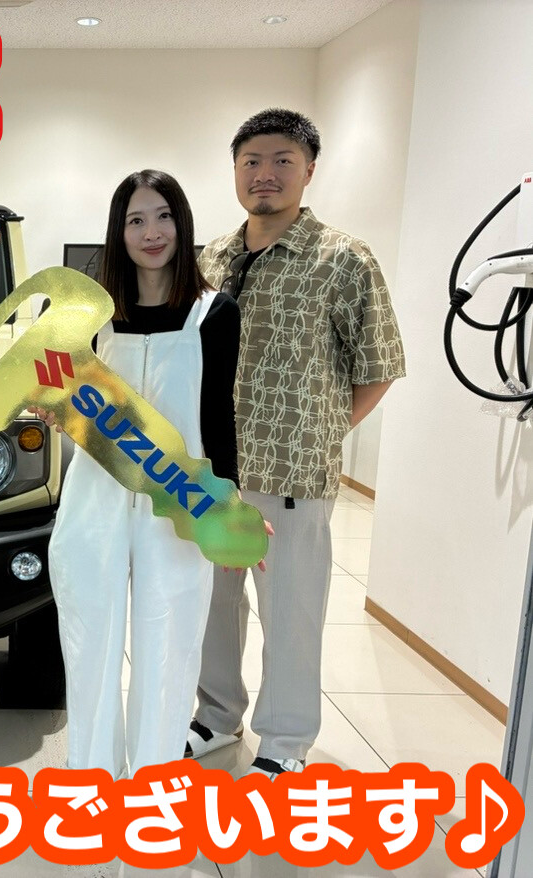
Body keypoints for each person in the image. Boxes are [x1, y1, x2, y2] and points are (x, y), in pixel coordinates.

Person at [187, 108, 407, 779]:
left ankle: (284, 739)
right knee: (212, 604)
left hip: (291, 473)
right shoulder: (211, 258)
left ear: (309, 170)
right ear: (234, 170)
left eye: (282, 160)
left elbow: (379, 365)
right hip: (210, 471)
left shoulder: (343, 259)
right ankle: (214, 715)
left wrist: (321, 431)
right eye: (251, 161)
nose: (265, 174)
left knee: (290, 612)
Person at [37, 169, 243, 777]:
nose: (152, 233)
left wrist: (230, 510)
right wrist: (50, 407)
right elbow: (57, 395)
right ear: (118, 232)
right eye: (135, 220)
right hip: (94, 502)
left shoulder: (214, 313)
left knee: (169, 645)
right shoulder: (86, 318)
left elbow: (218, 418)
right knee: (89, 640)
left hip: (176, 506)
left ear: (182, 223)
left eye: (163, 216)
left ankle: (153, 786)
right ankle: (91, 779)